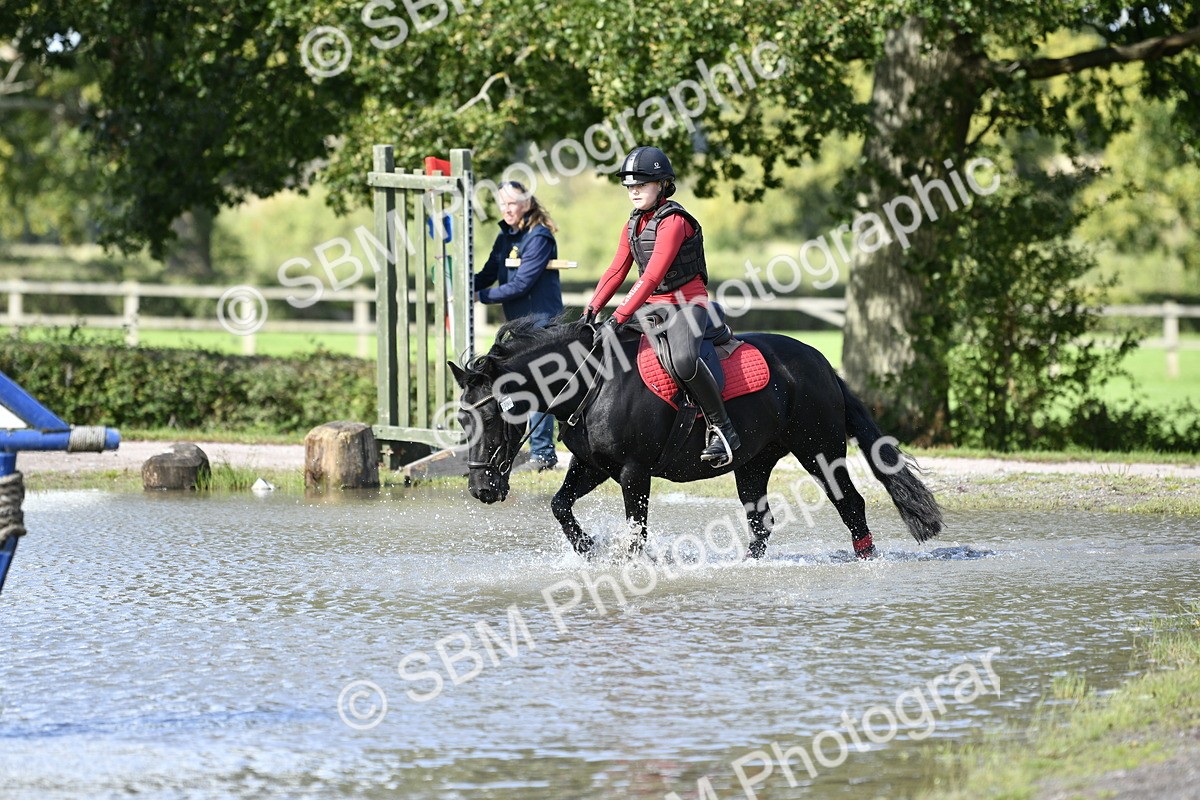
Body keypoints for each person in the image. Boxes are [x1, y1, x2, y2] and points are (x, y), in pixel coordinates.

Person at [584, 145, 740, 468]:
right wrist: (592, 308)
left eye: (642, 184)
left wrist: (619, 315)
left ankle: (722, 428)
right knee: (614, 348)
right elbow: (616, 270)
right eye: (630, 185)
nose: (634, 191)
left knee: (683, 360)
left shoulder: (675, 222)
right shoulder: (632, 225)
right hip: (653, 308)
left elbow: (652, 275)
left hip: (688, 306)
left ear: (662, 185)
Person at [474, 181, 564, 470]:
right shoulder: (505, 238)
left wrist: (479, 296)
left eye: (511, 203)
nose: (506, 209)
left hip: (540, 326)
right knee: (508, 388)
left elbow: (521, 284)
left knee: (538, 386)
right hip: (516, 327)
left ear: (526, 203)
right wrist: (463, 284)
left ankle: (542, 455)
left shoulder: (539, 237)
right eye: (502, 204)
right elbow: (488, 273)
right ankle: (509, 449)